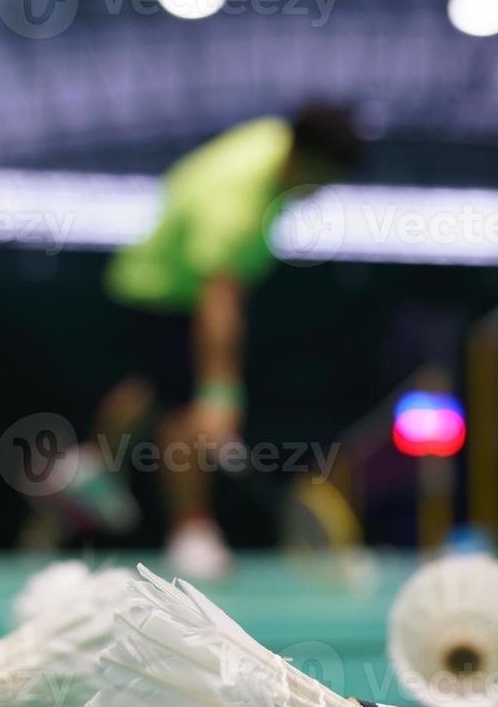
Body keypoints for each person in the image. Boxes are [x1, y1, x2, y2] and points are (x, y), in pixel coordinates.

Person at [105, 102, 364, 579]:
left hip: (144, 278)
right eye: (322, 180)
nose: (320, 192)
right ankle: (191, 532)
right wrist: (220, 394)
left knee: (151, 384)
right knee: (185, 410)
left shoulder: (273, 140)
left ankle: (91, 466)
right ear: (305, 158)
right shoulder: (237, 201)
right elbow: (219, 308)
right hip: (166, 293)